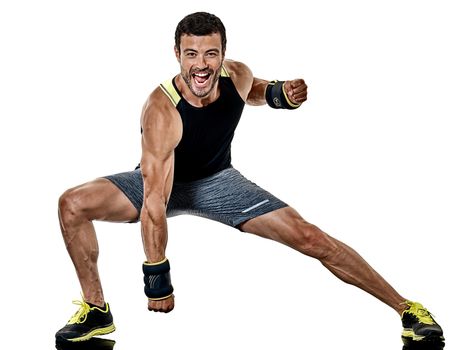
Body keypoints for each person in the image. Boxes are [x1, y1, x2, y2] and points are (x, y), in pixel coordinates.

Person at [55, 11, 444, 346]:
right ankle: (95, 310)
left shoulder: (237, 75)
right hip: (160, 183)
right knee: (72, 203)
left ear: (223, 55)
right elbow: (155, 201)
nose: (201, 65)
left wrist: (279, 94)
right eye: (191, 54)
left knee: (311, 237)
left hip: (219, 182)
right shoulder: (161, 110)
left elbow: (251, 91)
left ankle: (409, 311)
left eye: (210, 53)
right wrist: (157, 276)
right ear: (177, 55)